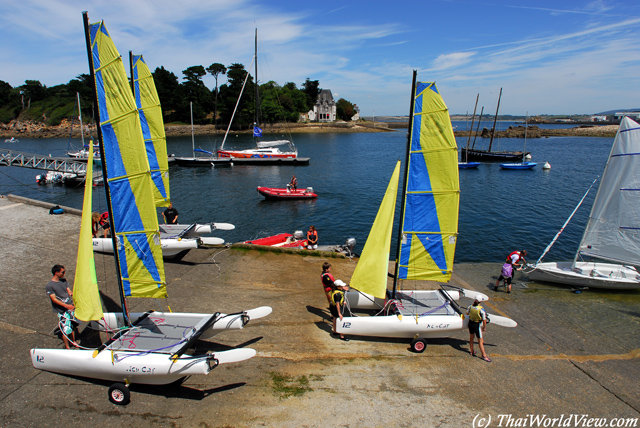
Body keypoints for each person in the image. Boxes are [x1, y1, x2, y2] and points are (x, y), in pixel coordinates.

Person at [45, 265, 77, 349]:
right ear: (56, 273)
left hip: (70, 307)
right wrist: (67, 306)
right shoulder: (50, 286)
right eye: (62, 272)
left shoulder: (64, 280)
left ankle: (73, 342)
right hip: (62, 310)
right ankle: (67, 347)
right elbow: (54, 299)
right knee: (66, 329)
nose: (64, 273)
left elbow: (68, 289)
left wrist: (70, 292)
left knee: (73, 325)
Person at [467, 297, 490, 362]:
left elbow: (467, 313)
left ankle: (472, 351)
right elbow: (484, 320)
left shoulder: (470, 306)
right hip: (477, 325)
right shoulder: (481, 310)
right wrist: (484, 327)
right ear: (481, 301)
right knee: (480, 341)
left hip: (470, 324)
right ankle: (484, 355)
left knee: (471, 338)